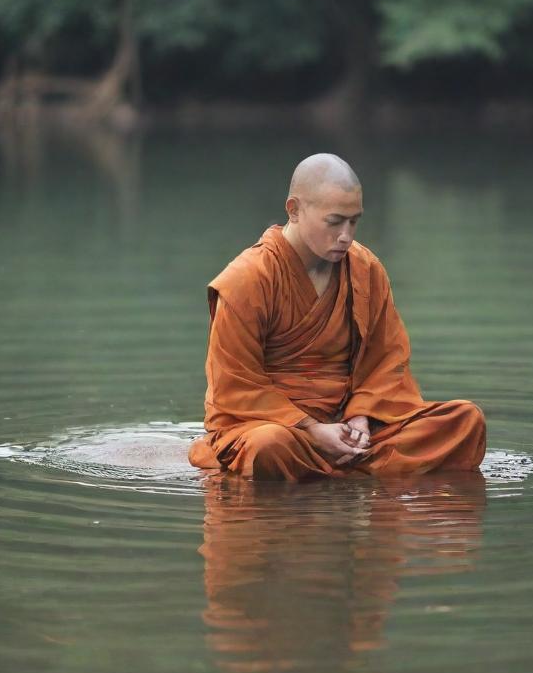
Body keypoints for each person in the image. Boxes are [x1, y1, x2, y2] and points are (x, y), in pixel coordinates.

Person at [188, 153, 486, 481]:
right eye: (334, 221)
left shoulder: (366, 269)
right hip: (278, 428)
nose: (346, 235)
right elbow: (234, 385)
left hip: (348, 426)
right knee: (267, 448)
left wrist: (361, 417)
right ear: (294, 210)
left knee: (465, 422)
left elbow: (386, 360)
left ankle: (336, 466)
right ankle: (358, 471)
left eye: (354, 221)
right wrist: (312, 429)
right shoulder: (247, 279)